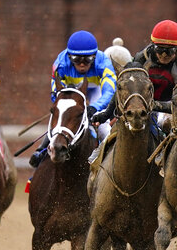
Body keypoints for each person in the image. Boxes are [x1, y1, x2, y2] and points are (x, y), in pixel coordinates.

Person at [28, 30, 117, 167]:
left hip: (96, 92)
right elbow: (55, 95)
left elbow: (109, 92)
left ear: (94, 56)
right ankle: (41, 150)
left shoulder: (104, 63)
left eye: (87, 60)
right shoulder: (61, 64)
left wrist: (94, 107)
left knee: (103, 127)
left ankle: (112, 162)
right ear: (69, 57)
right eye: (76, 60)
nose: (82, 64)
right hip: (71, 91)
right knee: (60, 117)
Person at [132, 20, 177, 102]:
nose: (164, 55)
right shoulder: (141, 58)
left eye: (170, 50)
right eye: (159, 49)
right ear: (152, 45)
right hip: (142, 108)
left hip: (172, 108)